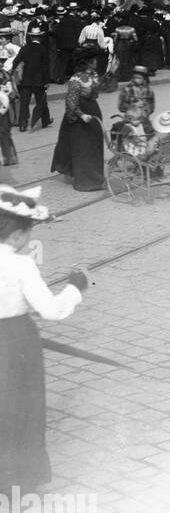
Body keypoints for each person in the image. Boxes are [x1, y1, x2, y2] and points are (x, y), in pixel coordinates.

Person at [0, 185, 88, 493]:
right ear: (18, 235)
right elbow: (50, 310)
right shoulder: (21, 264)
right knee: (21, 405)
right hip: (15, 342)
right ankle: (18, 478)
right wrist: (76, 288)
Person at [51, 45, 116, 192]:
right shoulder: (76, 79)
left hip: (93, 112)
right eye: (94, 60)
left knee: (94, 146)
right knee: (83, 148)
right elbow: (71, 100)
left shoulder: (93, 75)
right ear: (88, 62)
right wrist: (82, 115)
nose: (96, 62)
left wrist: (111, 72)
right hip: (79, 118)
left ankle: (96, 178)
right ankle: (86, 181)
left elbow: (104, 88)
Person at [12, 26, 52, 133]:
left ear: (30, 37)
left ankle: (22, 124)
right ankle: (45, 120)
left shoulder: (24, 48)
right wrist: (47, 81)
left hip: (25, 80)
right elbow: (46, 67)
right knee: (41, 101)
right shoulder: (43, 49)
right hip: (39, 81)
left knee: (24, 103)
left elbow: (15, 62)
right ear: (40, 38)